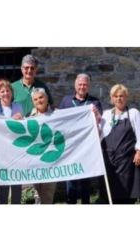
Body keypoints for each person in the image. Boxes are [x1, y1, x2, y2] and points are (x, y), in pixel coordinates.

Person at [59, 73, 103, 204]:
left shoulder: (94, 102)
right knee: (70, 175)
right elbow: (59, 120)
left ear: (88, 86)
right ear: (75, 85)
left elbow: (99, 122)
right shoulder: (66, 101)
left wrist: (96, 115)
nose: (82, 87)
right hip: (70, 146)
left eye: (85, 84)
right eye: (80, 84)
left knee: (86, 177)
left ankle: (85, 202)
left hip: (87, 146)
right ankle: (71, 202)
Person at [99, 84, 140, 204]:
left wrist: (139, 153)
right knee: (110, 193)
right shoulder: (107, 115)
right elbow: (99, 134)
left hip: (127, 160)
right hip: (110, 160)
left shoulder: (133, 113)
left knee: (126, 193)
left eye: (121, 96)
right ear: (112, 99)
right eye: (116, 96)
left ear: (126, 97)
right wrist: (95, 119)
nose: (119, 99)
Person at [0, 79, 24, 204]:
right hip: (0, 149)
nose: (5, 93)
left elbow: (23, 127)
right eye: (2, 91)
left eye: (8, 91)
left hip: (15, 148)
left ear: (11, 93)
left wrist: (21, 119)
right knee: (3, 179)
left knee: (16, 180)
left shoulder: (18, 107)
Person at [27, 87, 57, 204]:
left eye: (41, 97)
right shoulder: (29, 116)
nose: (39, 101)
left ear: (47, 98)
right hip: (36, 159)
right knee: (37, 192)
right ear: (33, 102)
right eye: (35, 99)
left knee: (48, 192)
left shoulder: (57, 114)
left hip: (51, 159)